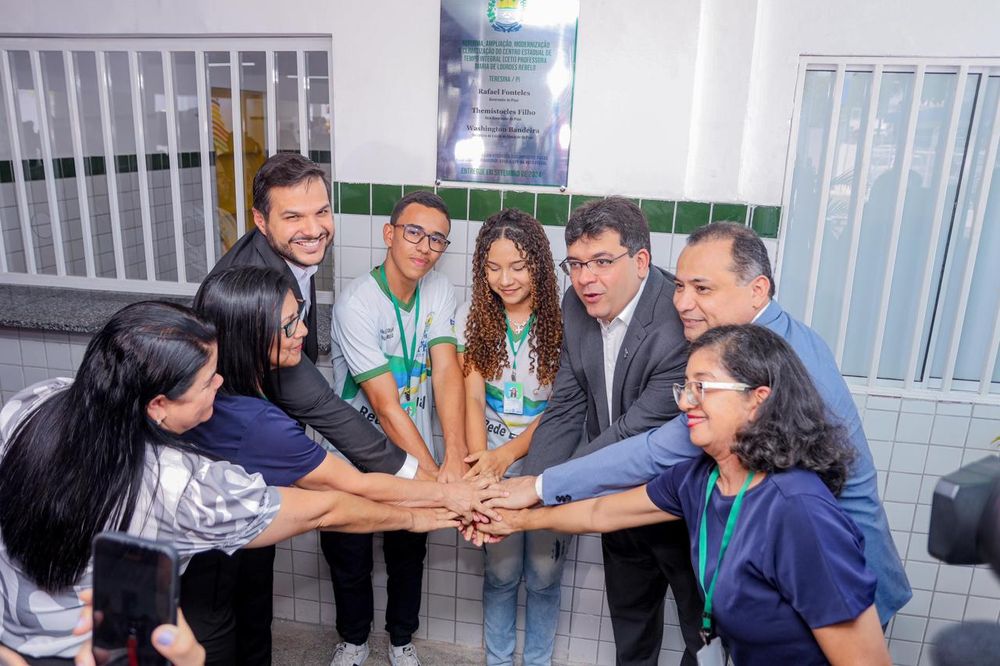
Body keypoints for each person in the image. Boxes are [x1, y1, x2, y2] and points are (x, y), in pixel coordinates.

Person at [494, 222, 912, 626]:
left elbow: (656, 449)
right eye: (680, 286)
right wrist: (528, 504)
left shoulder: (769, 366)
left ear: (757, 289)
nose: (682, 303)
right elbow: (608, 510)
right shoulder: (760, 340)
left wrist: (536, 487)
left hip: (839, 581)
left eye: (703, 289)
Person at [0, 302, 458, 663]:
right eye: (206, 382)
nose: (220, 383)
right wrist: (416, 517)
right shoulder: (181, 487)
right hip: (97, 653)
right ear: (159, 405)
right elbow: (325, 508)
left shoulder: (37, 401)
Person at [480, 325, 892, 666]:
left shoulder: (800, 511)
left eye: (703, 388)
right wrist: (518, 519)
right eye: (686, 387)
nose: (685, 403)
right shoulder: (702, 479)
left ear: (757, 400)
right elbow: (604, 513)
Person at [178, 266, 503, 665]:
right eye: (288, 325)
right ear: (247, 334)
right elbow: (345, 494)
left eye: (299, 316)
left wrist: (438, 499)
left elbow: (338, 467)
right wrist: (446, 500)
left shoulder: (210, 383)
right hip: (188, 571)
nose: (303, 332)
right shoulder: (257, 425)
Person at [505, 197, 701, 664]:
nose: (585, 278)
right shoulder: (575, 303)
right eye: (575, 263)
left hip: (682, 503)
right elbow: (567, 405)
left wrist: (537, 490)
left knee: (703, 635)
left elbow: (635, 432)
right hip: (614, 499)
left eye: (601, 262)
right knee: (631, 628)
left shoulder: (679, 323)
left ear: (641, 260)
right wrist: (527, 484)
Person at [207, 152, 416, 478]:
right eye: (293, 217)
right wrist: (426, 481)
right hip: (236, 454)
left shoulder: (292, 247)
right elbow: (321, 405)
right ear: (260, 220)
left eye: (322, 212)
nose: (313, 229)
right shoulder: (256, 286)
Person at [325, 191, 468, 666]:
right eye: (414, 232)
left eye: (437, 239)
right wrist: (434, 476)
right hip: (356, 460)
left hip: (418, 453)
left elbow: (448, 373)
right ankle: (354, 640)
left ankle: (401, 641)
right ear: (390, 234)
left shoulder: (441, 291)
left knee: (409, 556)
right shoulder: (356, 304)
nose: (424, 246)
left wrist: (452, 459)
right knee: (350, 558)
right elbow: (385, 406)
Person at [456, 210, 565, 665]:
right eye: (494, 267)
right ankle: (498, 660)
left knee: (543, 573)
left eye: (518, 266)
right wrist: (482, 464)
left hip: (547, 457)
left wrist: (507, 455)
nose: (506, 279)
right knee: (500, 571)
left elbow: (564, 410)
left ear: (538, 263)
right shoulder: (473, 317)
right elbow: (472, 399)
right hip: (491, 458)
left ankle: (537, 661)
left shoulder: (563, 322)